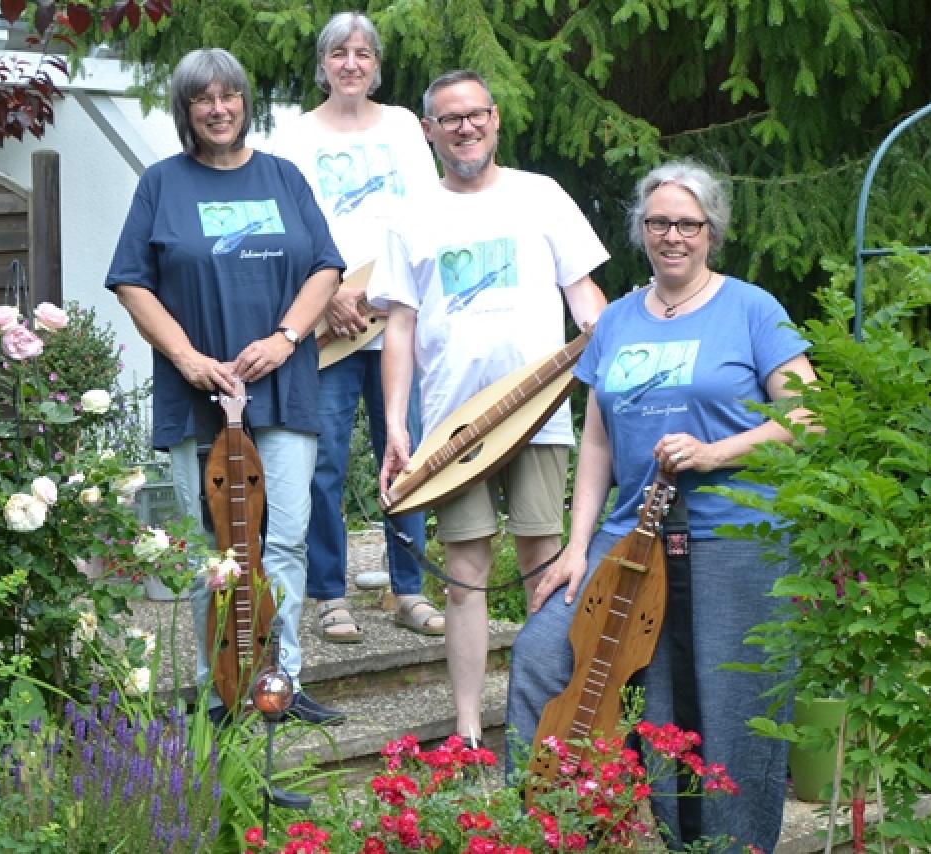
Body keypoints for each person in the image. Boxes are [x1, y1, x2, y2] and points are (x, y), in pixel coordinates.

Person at [507, 160, 817, 851]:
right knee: (543, 656)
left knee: (725, 707)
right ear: (641, 230)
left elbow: (809, 417)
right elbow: (596, 442)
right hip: (629, 539)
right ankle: (546, 830)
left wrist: (714, 453)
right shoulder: (616, 320)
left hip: (732, 535)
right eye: (658, 223)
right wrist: (577, 545)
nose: (672, 236)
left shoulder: (751, 309)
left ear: (711, 231)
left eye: (687, 224)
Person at [105, 48, 346, 727]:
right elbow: (131, 282)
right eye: (202, 99)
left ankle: (281, 682)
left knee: (285, 541)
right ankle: (221, 688)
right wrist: (185, 358)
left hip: (282, 388)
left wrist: (286, 338)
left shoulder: (283, 177)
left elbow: (326, 268)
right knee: (211, 551)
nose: (218, 109)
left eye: (229, 95)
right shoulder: (161, 184)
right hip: (197, 394)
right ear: (185, 111)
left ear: (245, 102)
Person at [375, 70, 609, 743]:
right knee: (464, 577)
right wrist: (396, 426)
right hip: (456, 428)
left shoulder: (541, 196)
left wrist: (606, 353)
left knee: (544, 566)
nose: (466, 127)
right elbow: (399, 327)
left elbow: (584, 296)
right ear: (429, 130)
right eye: (450, 119)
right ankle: (470, 731)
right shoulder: (411, 214)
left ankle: (542, 727)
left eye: (476, 114)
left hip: (539, 414)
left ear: (496, 118)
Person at [272, 12, 444, 644]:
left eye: (363, 53)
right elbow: (286, 228)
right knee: (325, 463)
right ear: (323, 63)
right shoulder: (293, 136)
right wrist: (325, 300)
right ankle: (329, 593)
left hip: (398, 318)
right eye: (339, 53)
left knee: (408, 454)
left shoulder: (402, 127)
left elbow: (427, 215)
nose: (351, 63)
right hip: (329, 325)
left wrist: (390, 293)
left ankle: (409, 588)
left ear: (376, 65)